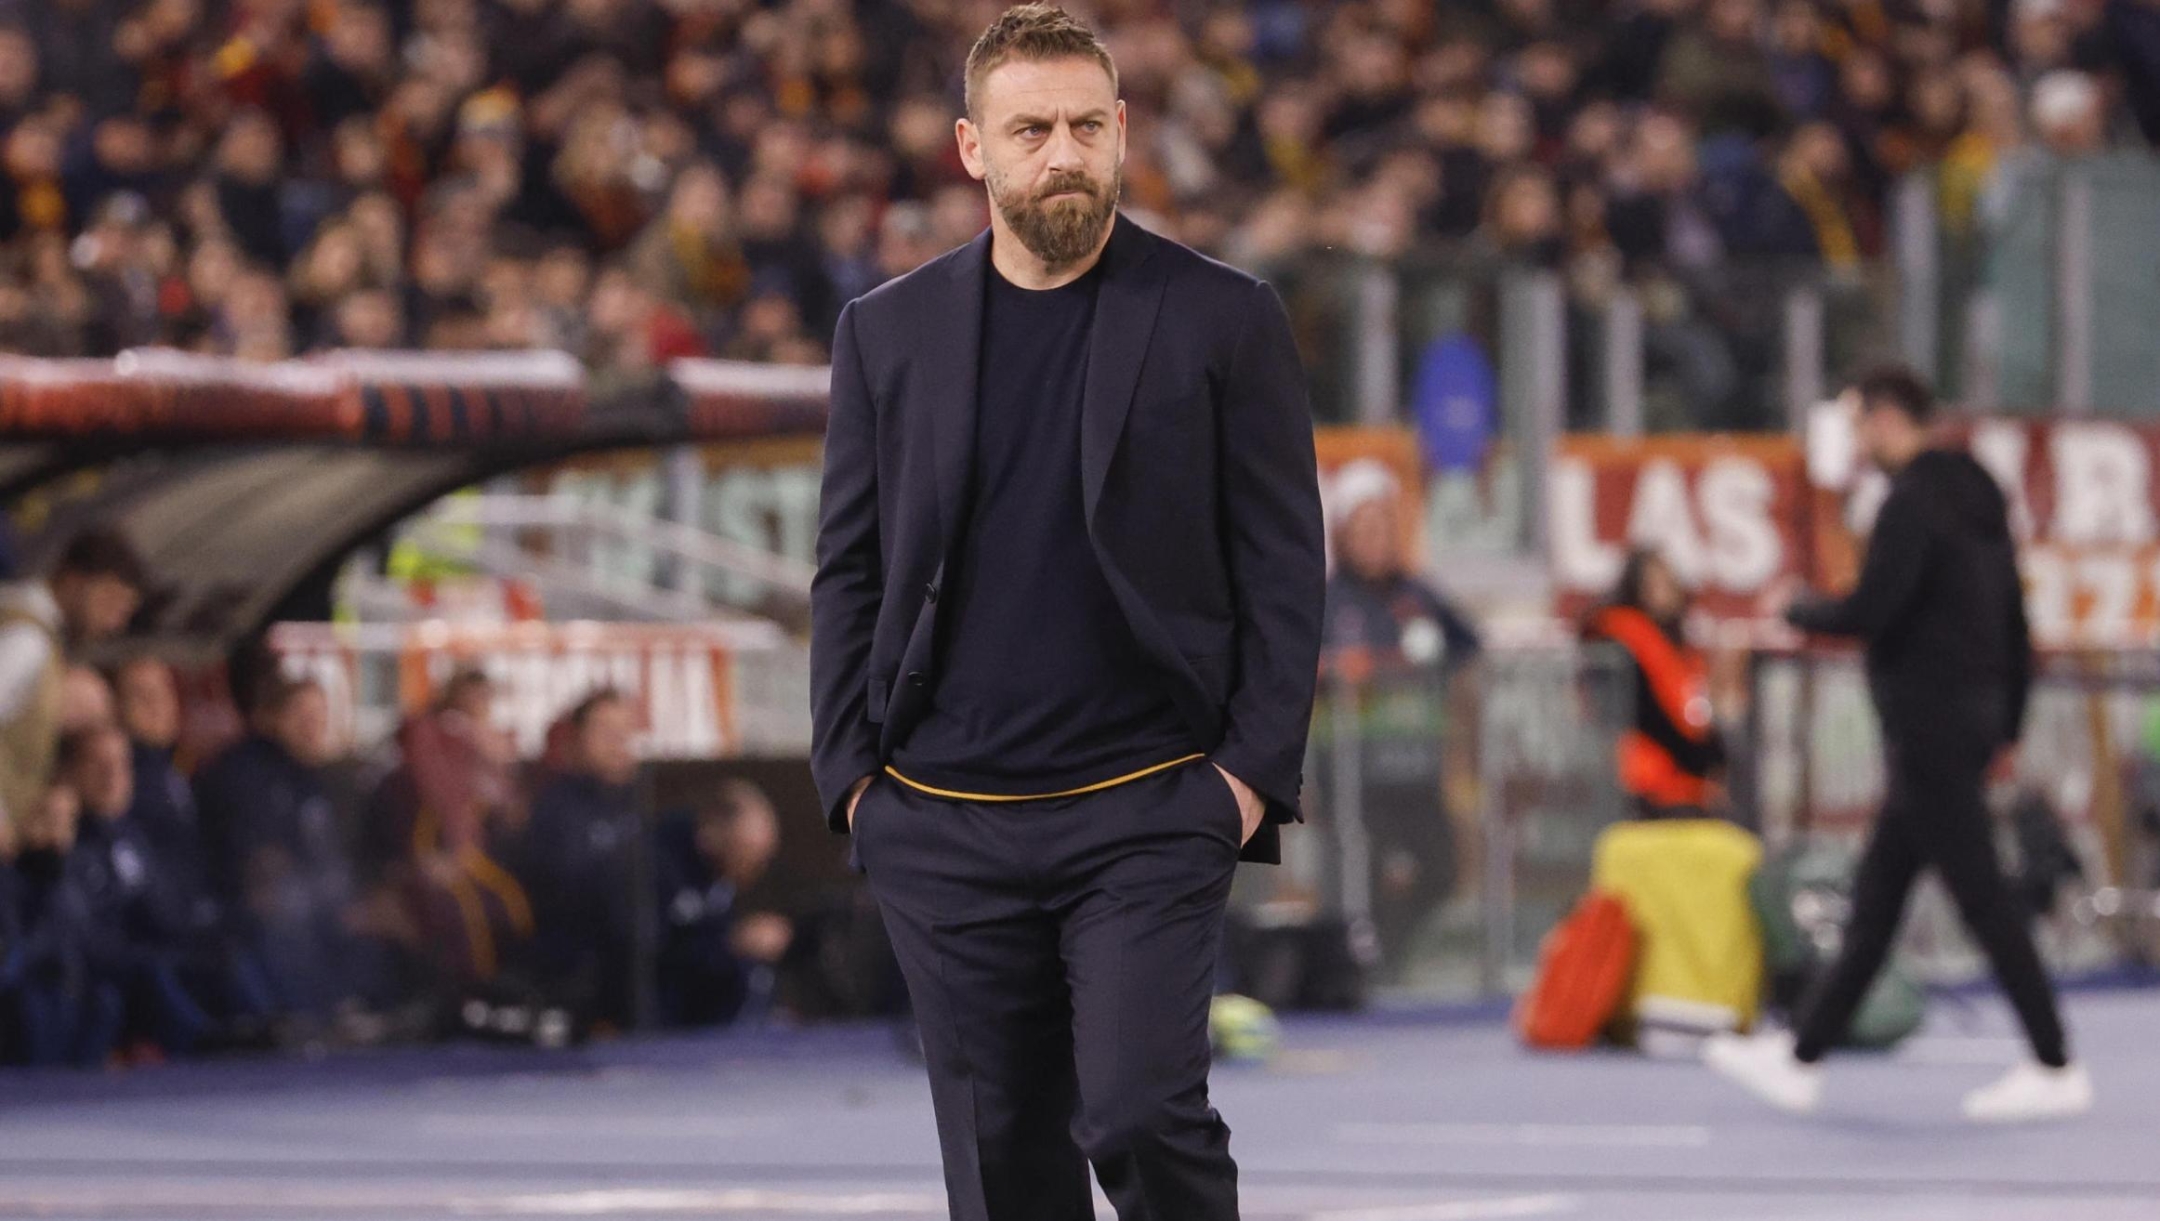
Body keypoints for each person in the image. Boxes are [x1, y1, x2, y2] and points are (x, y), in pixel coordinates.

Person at [809, 8, 1325, 1219]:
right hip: (941, 818)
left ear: (1123, 133)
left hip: (1148, 809)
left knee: (1144, 1113)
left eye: (1087, 125)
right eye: (1031, 128)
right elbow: (848, 570)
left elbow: (1285, 571)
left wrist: (1244, 777)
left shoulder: (1224, 316)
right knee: (1004, 1167)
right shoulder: (884, 334)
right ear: (972, 149)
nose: (1064, 152)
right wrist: (852, 784)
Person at [1706, 365, 2091, 1122]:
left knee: (1980, 895)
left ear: (1885, 419)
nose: (1855, 442)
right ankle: (1801, 1055)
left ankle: (2054, 1059)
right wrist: (2007, 721)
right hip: (1968, 716)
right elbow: (2014, 620)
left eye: (1857, 424)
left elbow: (1876, 606)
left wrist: (1800, 609)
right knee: (1880, 896)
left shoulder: (1911, 503)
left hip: (1932, 723)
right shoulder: (1978, 497)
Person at [1319, 459, 1481, 976]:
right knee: (1359, 874)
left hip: (1418, 768)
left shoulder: (1419, 596)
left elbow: (1470, 650)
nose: (1374, 539)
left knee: (1441, 869)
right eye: (1363, 528)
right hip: (1352, 775)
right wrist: (1335, 673)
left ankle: (1391, 957)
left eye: (1383, 526)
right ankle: (1361, 970)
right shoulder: (1326, 601)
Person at [193, 674, 382, 1029]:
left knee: (361, 907)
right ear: (268, 717)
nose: (313, 726)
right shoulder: (242, 772)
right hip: (238, 898)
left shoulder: (312, 776)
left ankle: (361, 1006)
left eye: (320, 716)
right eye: (301, 715)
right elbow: (253, 859)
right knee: (294, 903)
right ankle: (311, 1014)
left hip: (313, 894)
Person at [0, 528, 147, 836]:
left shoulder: (40, 639)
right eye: (111, 601)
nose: (114, 623)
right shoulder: (26, 640)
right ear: (74, 580)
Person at [515, 689, 643, 1033]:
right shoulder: (555, 808)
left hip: (645, 960)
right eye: (604, 731)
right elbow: (562, 892)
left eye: (625, 731)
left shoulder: (645, 801)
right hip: (579, 967)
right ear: (577, 739)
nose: (617, 742)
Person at [1582, 548, 1727, 818]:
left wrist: (1713, 755)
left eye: (1667, 583)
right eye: (1651, 584)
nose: (1661, 593)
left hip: (1686, 784)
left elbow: (1695, 708)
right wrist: (1699, 758)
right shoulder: (1621, 640)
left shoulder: (1678, 643)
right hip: (1646, 784)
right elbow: (1644, 712)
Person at [652, 779, 792, 1028]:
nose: (755, 869)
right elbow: (658, 958)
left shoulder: (721, 877)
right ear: (712, 833)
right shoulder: (658, 866)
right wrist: (733, 943)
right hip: (663, 1026)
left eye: (762, 859)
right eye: (747, 855)